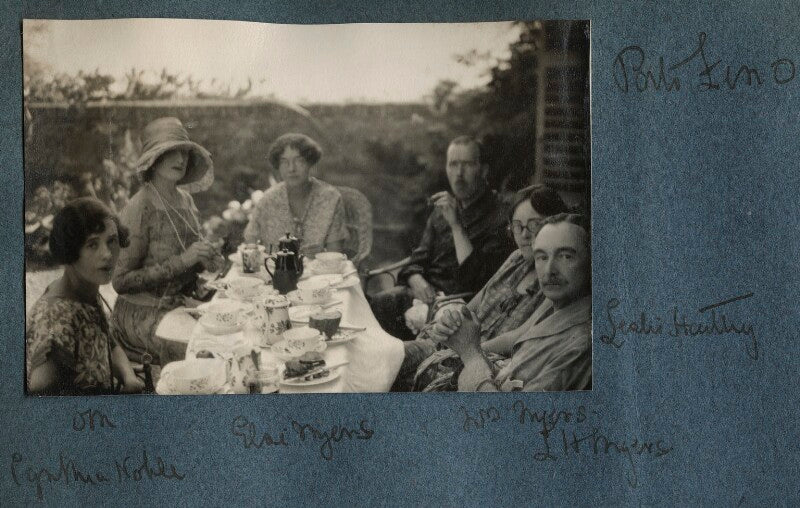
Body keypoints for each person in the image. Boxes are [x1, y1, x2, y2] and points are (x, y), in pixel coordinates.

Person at [397, 185, 570, 391]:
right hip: (453, 348)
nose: (524, 234)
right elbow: (470, 307)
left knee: (391, 365)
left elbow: (517, 339)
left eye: (534, 226)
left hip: (482, 366)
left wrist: (465, 349)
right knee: (386, 356)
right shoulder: (515, 260)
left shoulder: (555, 284)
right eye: (517, 226)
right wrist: (450, 322)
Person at [371, 136, 514, 339]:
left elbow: (479, 280)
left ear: (483, 170)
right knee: (377, 304)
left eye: (467, 165)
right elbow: (417, 259)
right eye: (453, 164)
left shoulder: (500, 214)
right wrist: (416, 279)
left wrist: (456, 225)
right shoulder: (441, 211)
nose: (459, 174)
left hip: (459, 304)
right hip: (423, 295)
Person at [111, 117, 221, 365]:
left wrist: (206, 257)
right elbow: (120, 281)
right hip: (142, 313)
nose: (180, 159)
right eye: (171, 152)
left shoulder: (186, 200)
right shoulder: (140, 207)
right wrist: (185, 260)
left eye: (184, 152)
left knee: (230, 329)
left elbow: (191, 257)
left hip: (180, 304)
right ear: (153, 159)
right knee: (203, 350)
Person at [440, 213, 592, 392]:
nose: (550, 270)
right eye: (542, 257)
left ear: (591, 263)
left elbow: (509, 416)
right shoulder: (553, 311)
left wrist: (471, 354)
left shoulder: (582, 345)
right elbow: (513, 379)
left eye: (566, 256)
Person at [27, 198, 145, 395]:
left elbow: (108, 342)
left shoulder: (85, 290)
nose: (107, 254)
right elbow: (41, 391)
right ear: (70, 251)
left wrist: (128, 376)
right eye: (92, 245)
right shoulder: (57, 319)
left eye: (112, 241)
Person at [243, 133, 348, 257]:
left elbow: (335, 254)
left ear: (310, 162)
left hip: (320, 273)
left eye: (299, 161)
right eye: (284, 162)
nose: (291, 169)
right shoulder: (268, 199)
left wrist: (320, 254)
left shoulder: (330, 198)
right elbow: (250, 242)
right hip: (277, 271)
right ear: (278, 166)